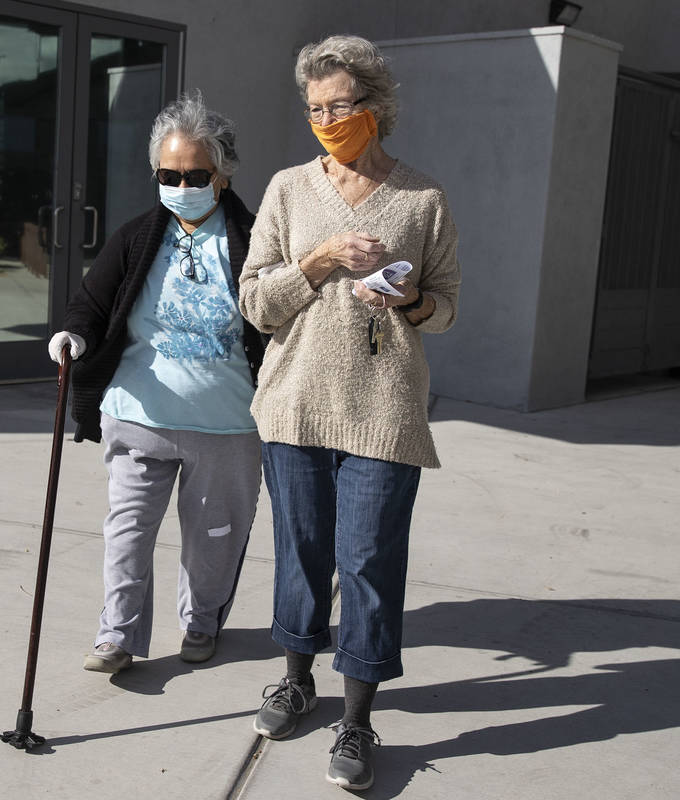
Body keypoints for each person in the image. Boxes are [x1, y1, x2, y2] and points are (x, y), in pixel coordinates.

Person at [239, 34, 460, 791]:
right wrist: (320, 261)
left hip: (385, 410)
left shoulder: (423, 200)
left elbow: (447, 309)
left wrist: (409, 298)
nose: (327, 118)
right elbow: (256, 302)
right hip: (295, 402)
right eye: (314, 108)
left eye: (340, 104)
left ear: (375, 106)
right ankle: (295, 679)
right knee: (301, 550)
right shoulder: (288, 190)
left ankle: (358, 718)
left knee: (367, 563)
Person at [47, 92, 265, 674]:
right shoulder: (138, 235)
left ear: (221, 176)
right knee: (127, 531)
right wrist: (74, 337)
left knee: (214, 539)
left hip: (229, 424)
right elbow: (91, 303)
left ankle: (200, 622)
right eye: (170, 174)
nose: (182, 184)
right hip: (137, 412)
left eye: (196, 174)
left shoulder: (256, 237)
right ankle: (116, 636)